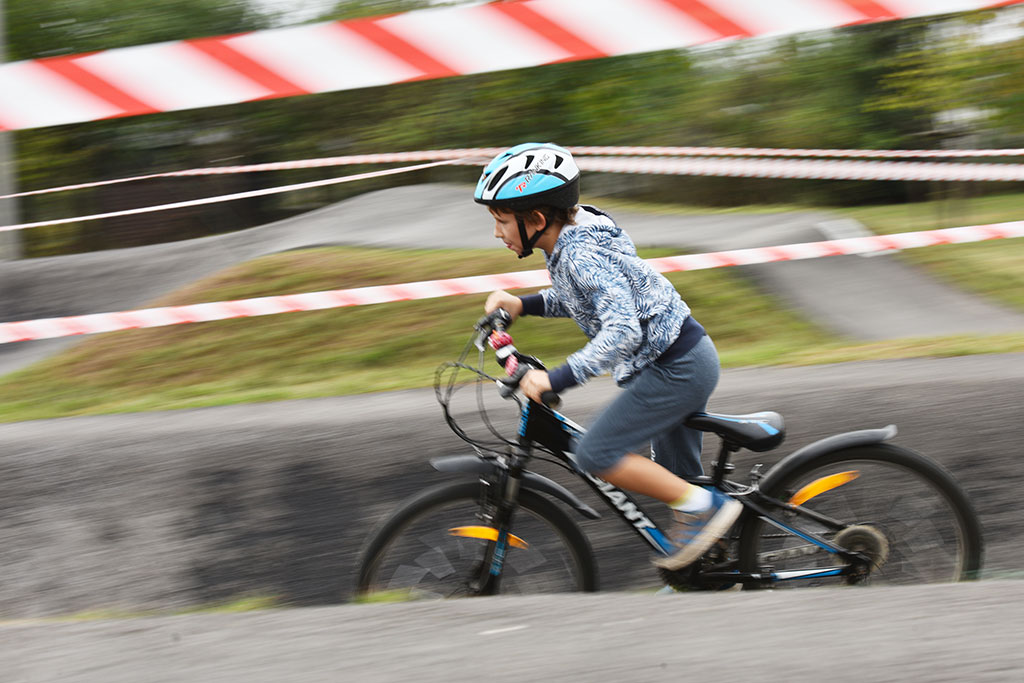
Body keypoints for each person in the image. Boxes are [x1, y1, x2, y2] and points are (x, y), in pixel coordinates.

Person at [474, 142, 739, 571]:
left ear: (536, 219)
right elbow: (584, 299)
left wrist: (557, 378)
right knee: (680, 485)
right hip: (679, 357)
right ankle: (709, 569)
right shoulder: (575, 236)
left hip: (674, 368)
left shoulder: (580, 254)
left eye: (501, 221)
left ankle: (709, 510)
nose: (496, 232)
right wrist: (524, 304)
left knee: (595, 454)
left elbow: (622, 330)